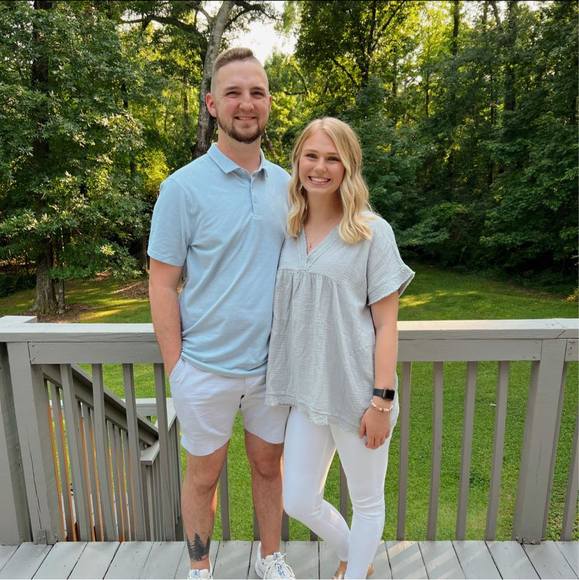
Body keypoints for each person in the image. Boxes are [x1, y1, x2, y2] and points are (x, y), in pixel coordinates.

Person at [148, 47, 295, 580]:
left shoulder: (291, 187)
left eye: (257, 92)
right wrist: (177, 367)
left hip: (272, 369)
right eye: (233, 92)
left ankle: (270, 558)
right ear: (212, 104)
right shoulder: (181, 188)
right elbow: (162, 283)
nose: (246, 103)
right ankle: (199, 567)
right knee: (203, 476)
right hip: (205, 369)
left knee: (268, 468)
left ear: (269, 102)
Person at [266, 117, 414, 579]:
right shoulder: (290, 229)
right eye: (311, 155)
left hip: (358, 394)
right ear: (297, 161)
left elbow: (387, 324)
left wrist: (381, 401)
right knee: (297, 499)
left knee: (367, 501)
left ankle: (356, 569)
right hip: (309, 395)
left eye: (333, 158)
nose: (320, 167)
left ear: (349, 167)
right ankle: (357, 555)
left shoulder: (371, 232)